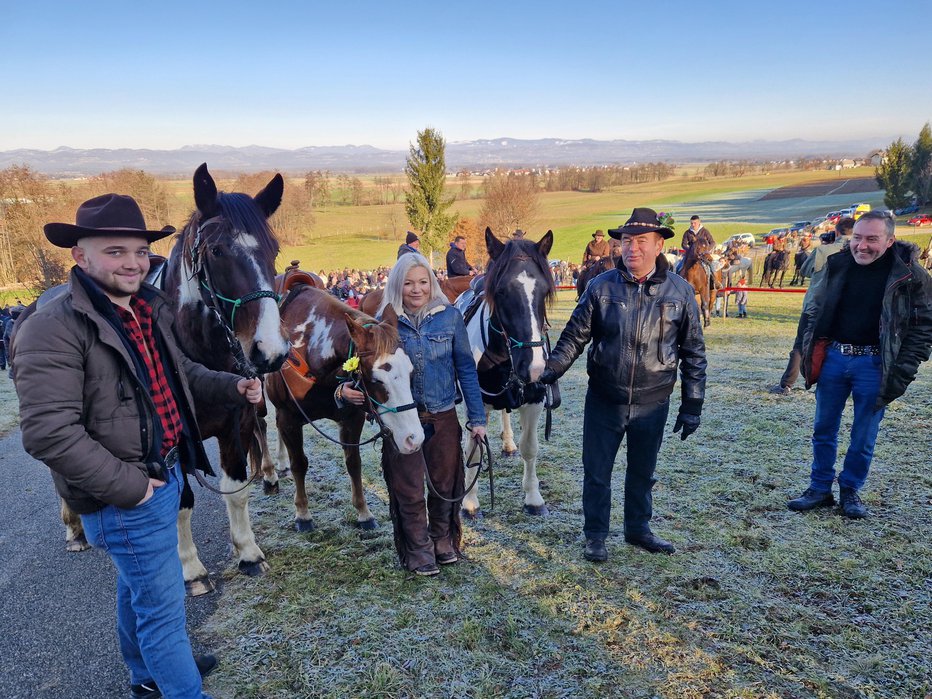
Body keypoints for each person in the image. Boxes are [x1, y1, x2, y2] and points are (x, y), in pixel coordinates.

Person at [13, 194, 264, 699]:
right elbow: (48, 434)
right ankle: (178, 684)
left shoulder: (148, 311)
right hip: (127, 495)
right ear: (80, 257)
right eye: (114, 251)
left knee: (138, 593)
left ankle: (146, 674)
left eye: (138, 251)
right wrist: (132, 488)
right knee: (164, 611)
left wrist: (231, 385)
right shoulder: (53, 328)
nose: (131, 262)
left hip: (163, 474)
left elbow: (181, 375)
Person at [539, 207, 707, 560]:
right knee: (597, 472)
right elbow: (574, 337)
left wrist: (692, 405)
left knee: (642, 472)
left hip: (654, 401)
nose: (632, 248)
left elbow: (694, 352)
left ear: (659, 245)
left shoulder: (680, 293)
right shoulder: (601, 288)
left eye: (641, 241)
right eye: (626, 241)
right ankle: (596, 534)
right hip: (605, 399)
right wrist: (550, 370)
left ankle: (638, 529)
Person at [339, 252, 486, 575]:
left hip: (443, 413)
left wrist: (477, 419)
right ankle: (418, 548)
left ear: (431, 283)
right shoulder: (382, 324)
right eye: (408, 283)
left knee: (445, 483)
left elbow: (465, 368)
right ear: (397, 285)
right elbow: (360, 372)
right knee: (407, 488)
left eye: (422, 282)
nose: (416, 290)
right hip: (401, 418)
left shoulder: (449, 318)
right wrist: (343, 391)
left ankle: (442, 539)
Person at [788, 211, 932, 518]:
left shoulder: (911, 276)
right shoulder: (837, 266)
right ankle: (819, 488)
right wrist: (806, 347)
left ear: (890, 240)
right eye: (857, 238)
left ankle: (850, 490)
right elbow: (812, 310)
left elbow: (924, 327)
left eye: (872, 239)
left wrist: (903, 368)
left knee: (864, 434)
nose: (862, 246)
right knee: (823, 428)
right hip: (835, 359)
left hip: (876, 364)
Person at [769, 217, 855, 395]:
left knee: (801, 345)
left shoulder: (824, 250)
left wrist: (825, 246)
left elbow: (805, 270)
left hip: (816, 306)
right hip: (846, 309)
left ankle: (786, 384)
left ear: (837, 231)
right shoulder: (858, 251)